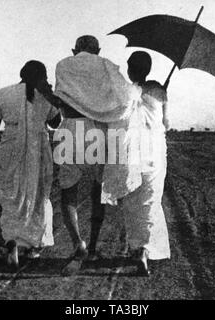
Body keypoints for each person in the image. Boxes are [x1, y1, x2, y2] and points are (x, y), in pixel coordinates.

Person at [40, 35, 142, 274]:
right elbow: (126, 97)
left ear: (74, 50)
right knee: (98, 189)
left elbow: (60, 98)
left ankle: (79, 245)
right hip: (97, 131)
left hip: (69, 129)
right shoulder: (106, 64)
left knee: (68, 192)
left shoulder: (63, 65)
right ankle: (94, 245)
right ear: (98, 50)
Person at [0, 60, 61, 268]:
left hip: (10, 148)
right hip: (38, 149)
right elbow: (56, 123)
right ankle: (32, 246)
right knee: (38, 196)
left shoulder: (3, 93)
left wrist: (2, 149)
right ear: (42, 76)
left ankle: (12, 241)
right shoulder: (45, 97)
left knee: (11, 197)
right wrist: (52, 97)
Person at [120, 51, 171, 275]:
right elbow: (166, 123)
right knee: (150, 200)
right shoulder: (160, 91)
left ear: (130, 69)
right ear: (148, 69)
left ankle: (136, 247)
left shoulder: (126, 91)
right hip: (155, 152)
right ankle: (144, 250)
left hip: (132, 150)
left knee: (132, 199)